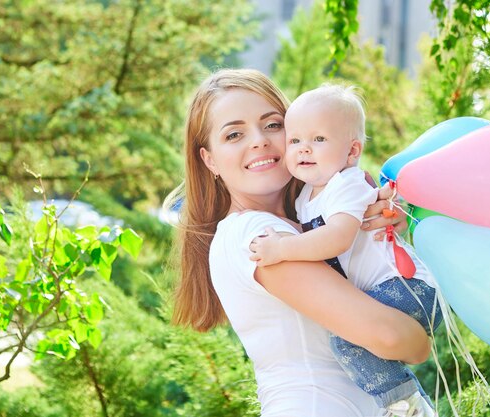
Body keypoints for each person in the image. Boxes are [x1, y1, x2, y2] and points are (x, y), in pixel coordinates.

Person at [165, 69, 433, 417]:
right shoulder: (255, 236)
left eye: (273, 125)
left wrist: (381, 224)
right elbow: (395, 339)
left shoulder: (311, 224)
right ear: (210, 159)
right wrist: (420, 339)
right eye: (234, 134)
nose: (259, 140)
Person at [248, 84, 443, 416]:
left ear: (352, 151)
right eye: (295, 140)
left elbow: (337, 238)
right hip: (386, 290)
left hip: (409, 287)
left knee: (347, 337)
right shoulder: (305, 197)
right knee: (354, 336)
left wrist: (281, 249)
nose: (304, 149)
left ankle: (409, 406)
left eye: (319, 139)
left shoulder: (347, 184)